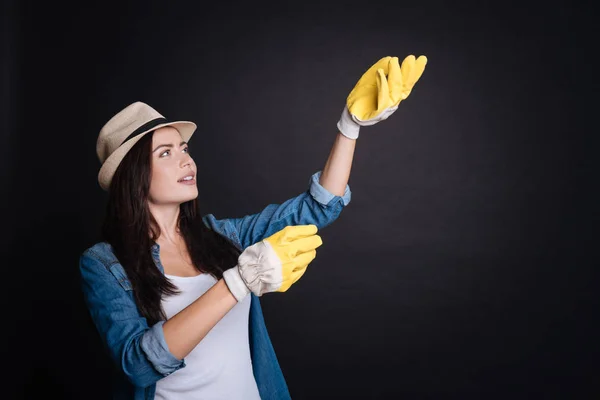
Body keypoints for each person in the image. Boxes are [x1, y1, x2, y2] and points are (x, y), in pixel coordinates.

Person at [79, 54, 427, 400]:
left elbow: (317, 208)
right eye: (166, 153)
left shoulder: (222, 237)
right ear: (133, 178)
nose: (187, 160)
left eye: (184, 148)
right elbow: (138, 365)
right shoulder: (103, 264)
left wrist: (349, 126)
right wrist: (238, 282)